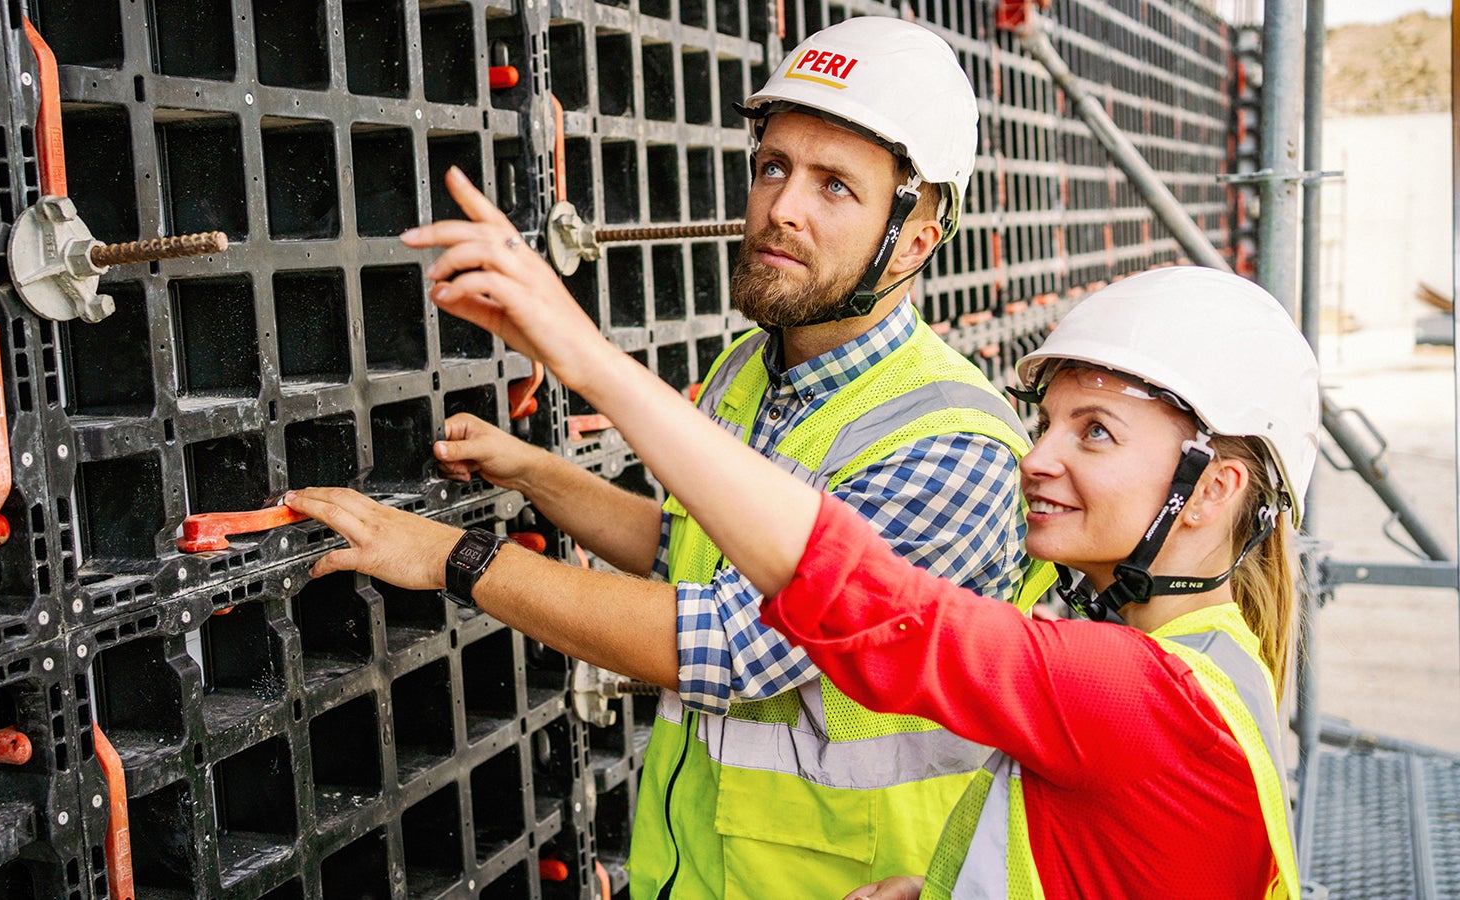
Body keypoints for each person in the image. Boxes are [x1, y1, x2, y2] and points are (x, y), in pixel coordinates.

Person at [288, 16, 1053, 898]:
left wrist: (453, 558)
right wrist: (540, 475)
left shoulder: (949, 444)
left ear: (916, 237)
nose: (782, 207)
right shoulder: (750, 369)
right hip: (694, 870)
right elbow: (688, 553)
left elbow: (731, 644)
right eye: (774, 167)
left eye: (835, 185)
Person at [350, 258, 1313, 897]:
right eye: (1049, 420)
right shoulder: (1215, 661)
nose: (1036, 457)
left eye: (1094, 433)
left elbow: (862, 602)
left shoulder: (1135, 691)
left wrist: (587, 364)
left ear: (1210, 491)